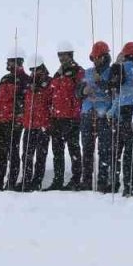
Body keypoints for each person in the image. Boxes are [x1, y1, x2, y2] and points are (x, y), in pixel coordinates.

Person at [0, 48, 30, 191]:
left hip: (12, 122)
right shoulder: (4, 78)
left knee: (12, 152)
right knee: (0, 154)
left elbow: (25, 101)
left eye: (10, 61)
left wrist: (19, 118)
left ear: (17, 62)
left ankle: (11, 181)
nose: (7, 64)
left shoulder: (25, 79)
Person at [80, 41, 120, 193]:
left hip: (104, 115)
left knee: (104, 149)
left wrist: (100, 83)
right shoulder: (87, 72)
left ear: (105, 57)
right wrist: (84, 91)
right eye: (93, 57)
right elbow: (78, 92)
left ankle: (103, 181)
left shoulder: (112, 71)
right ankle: (86, 181)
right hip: (87, 114)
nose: (95, 60)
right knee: (87, 148)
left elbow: (113, 90)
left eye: (98, 57)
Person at [47, 42, 83, 191]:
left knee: (73, 150)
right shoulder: (58, 73)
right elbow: (53, 94)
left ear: (70, 55)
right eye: (59, 55)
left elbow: (80, 94)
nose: (61, 58)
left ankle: (76, 179)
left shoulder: (78, 72)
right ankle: (58, 180)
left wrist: (75, 114)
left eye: (63, 55)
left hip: (71, 118)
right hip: (57, 118)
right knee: (57, 151)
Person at [19, 55, 52, 191]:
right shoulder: (29, 83)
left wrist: (39, 89)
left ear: (43, 69)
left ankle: (37, 181)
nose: (34, 72)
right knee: (26, 154)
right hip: (29, 125)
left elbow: (50, 102)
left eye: (37, 69)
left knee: (40, 155)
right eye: (32, 70)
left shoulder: (49, 83)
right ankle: (26, 180)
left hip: (43, 124)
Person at [114, 42, 133, 196]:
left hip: (122, 110)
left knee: (119, 150)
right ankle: (130, 185)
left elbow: (114, 84)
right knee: (131, 149)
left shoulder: (120, 67)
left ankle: (121, 184)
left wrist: (117, 63)